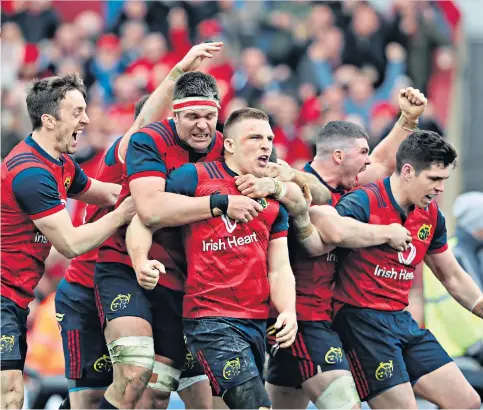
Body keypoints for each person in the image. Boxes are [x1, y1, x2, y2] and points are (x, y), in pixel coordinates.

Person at [53, 41, 224, 410]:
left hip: (157, 281)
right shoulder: (130, 148)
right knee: (96, 396)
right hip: (88, 285)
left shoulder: (181, 161)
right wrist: (178, 70)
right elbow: (145, 125)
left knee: (150, 393)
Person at [94, 70, 266, 409]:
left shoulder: (227, 146)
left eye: (209, 116)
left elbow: (288, 182)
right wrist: (221, 203)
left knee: (159, 397)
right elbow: (149, 212)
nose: (202, 125)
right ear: (175, 116)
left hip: (186, 284)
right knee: (133, 372)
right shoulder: (147, 141)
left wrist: (277, 184)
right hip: (126, 267)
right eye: (192, 116)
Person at [127, 107, 305, 409]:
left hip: (255, 322)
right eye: (255, 137)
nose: (266, 145)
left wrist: (288, 309)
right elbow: (145, 218)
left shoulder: (274, 199)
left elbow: (279, 267)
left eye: (270, 138)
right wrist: (141, 261)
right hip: (209, 319)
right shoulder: (194, 177)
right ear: (231, 145)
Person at [262, 87, 429, 409]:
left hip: (324, 317)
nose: (367, 160)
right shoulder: (299, 190)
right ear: (339, 156)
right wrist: (387, 233)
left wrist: (408, 119)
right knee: (346, 405)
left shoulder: (346, 187)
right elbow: (336, 232)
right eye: (361, 153)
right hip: (304, 318)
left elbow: (380, 161)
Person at [0, 73, 135, 409]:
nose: (86, 120)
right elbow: (71, 245)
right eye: (76, 113)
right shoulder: (31, 173)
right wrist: (122, 215)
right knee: (10, 392)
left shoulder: (61, 164)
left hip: (15, 296)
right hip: (2, 294)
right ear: (49, 120)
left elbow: (109, 193)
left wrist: (159, 192)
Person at [331, 131, 482, 408]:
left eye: (444, 180)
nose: (440, 189)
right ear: (409, 171)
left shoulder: (432, 214)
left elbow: (451, 275)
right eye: (434, 179)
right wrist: (385, 233)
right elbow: (330, 232)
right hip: (359, 323)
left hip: (401, 321)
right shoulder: (363, 201)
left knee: (468, 403)